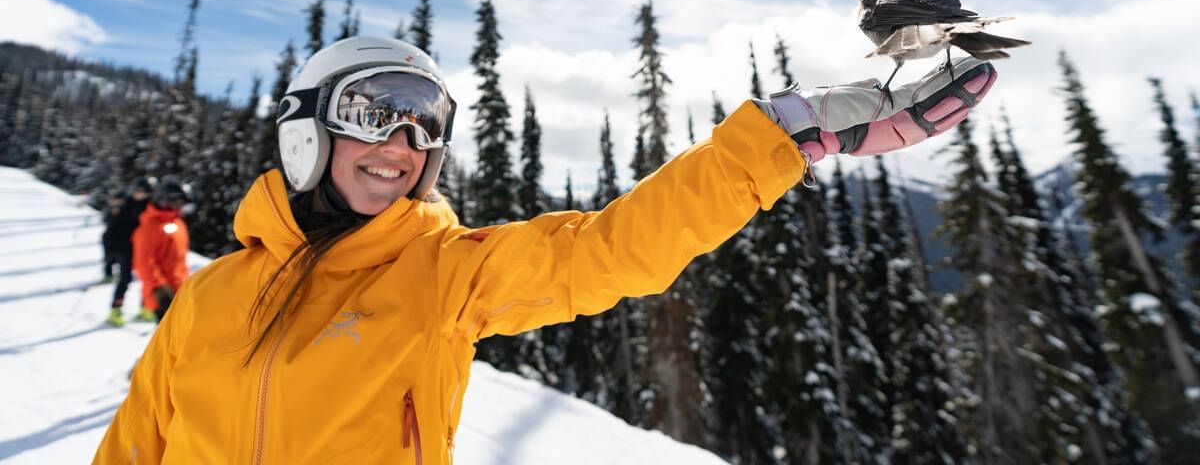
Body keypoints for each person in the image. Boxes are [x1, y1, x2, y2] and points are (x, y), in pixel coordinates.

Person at [95, 35, 996, 464]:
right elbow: (133, 451)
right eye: (377, 110)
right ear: (307, 127)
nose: (402, 142)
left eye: (425, 124)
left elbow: (610, 253)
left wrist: (782, 137)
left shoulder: (440, 274)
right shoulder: (210, 299)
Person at [131, 177, 192, 323]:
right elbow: (144, 262)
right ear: (164, 200)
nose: (180, 206)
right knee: (170, 340)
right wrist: (160, 289)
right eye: (177, 202)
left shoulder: (177, 222)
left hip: (180, 289)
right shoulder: (150, 226)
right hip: (163, 295)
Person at [103, 179, 155, 326]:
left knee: (147, 278)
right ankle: (116, 309)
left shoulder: (151, 207)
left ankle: (146, 308)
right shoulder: (125, 205)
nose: (139, 194)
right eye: (136, 191)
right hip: (124, 248)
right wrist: (111, 251)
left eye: (142, 191)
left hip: (143, 249)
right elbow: (110, 229)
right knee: (125, 278)